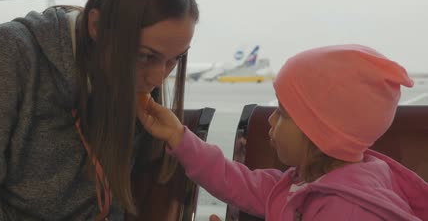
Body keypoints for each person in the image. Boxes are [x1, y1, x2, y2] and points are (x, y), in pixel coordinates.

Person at [0, 0, 198, 220]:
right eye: (144, 55)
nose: (158, 78)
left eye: (175, 58)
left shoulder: (133, 80)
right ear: (96, 26)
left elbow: (113, 205)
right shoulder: (9, 54)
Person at [138, 44, 428, 220]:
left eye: (283, 113)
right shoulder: (306, 182)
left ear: (320, 133)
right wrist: (179, 136)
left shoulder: (350, 210)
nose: (270, 120)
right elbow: (237, 182)